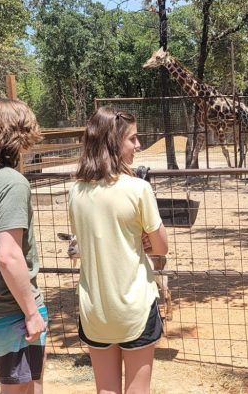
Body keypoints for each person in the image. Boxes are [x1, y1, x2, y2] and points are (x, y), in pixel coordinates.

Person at [69, 107, 168, 394]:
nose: (138, 146)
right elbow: (161, 247)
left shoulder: (76, 191)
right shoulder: (138, 189)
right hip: (134, 307)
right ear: (114, 143)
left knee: (105, 390)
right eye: (132, 139)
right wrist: (143, 238)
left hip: (95, 310)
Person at [0, 98, 48, 393]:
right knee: (25, 388)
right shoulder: (12, 183)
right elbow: (8, 256)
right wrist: (31, 312)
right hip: (10, 308)